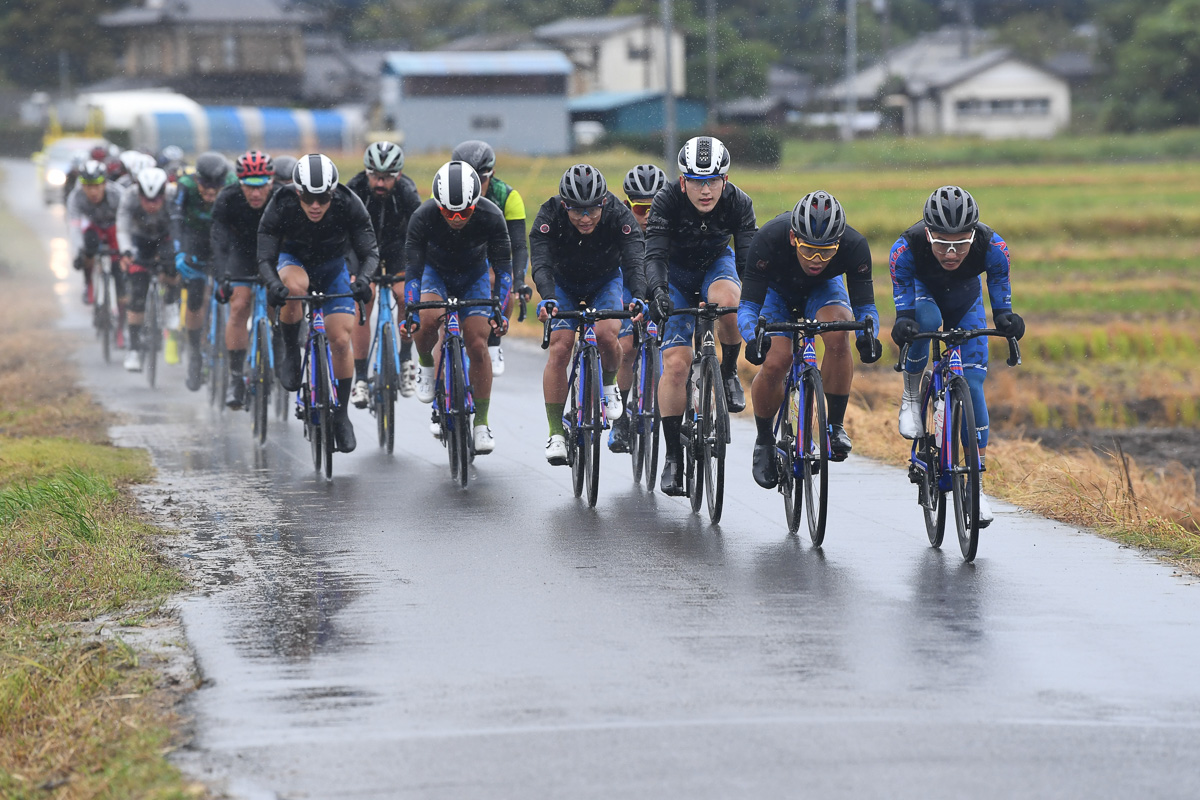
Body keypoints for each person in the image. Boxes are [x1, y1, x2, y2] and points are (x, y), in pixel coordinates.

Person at [889, 185, 1025, 528]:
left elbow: (999, 288)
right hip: (925, 296)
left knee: (974, 384)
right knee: (927, 322)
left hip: (966, 302)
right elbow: (903, 297)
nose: (952, 253)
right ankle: (911, 395)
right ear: (928, 234)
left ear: (974, 235)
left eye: (961, 244)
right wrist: (904, 321)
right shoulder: (906, 247)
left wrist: (1005, 316)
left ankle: (976, 487)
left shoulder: (993, 246)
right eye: (943, 244)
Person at [738, 191, 882, 488]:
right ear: (793, 238)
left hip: (823, 290)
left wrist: (869, 336)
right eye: (809, 250)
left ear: (839, 244)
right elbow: (749, 307)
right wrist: (752, 337)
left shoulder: (855, 246)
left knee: (840, 332)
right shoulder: (767, 240)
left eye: (827, 252)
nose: (817, 259)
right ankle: (764, 439)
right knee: (777, 360)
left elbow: (865, 309)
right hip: (775, 292)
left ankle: (835, 426)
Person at [643, 136, 758, 496]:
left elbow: (747, 264)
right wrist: (658, 292)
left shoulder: (739, 203)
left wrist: (754, 305)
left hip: (715, 266)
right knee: (676, 365)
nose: (705, 190)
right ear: (683, 181)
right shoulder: (665, 201)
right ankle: (673, 458)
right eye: (696, 181)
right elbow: (655, 256)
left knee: (729, 300)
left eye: (712, 181)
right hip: (675, 276)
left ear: (724, 180)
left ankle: (726, 373)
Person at [257, 154, 379, 454]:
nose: (315, 205)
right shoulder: (282, 201)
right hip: (294, 262)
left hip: (333, 266)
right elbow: (265, 254)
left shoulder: (349, 203)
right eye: (309, 198)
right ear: (298, 192)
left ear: (333, 193)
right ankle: (289, 350)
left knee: (340, 339)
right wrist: (273, 284)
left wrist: (363, 279)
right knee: (292, 288)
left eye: (322, 198)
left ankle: (341, 415)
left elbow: (370, 252)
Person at [530, 164, 647, 465]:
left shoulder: (619, 215)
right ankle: (556, 432)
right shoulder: (549, 215)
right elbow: (541, 262)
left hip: (605, 280)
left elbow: (634, 260)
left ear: (603, 203)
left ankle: (609, 384)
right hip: (563, 284)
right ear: (565, 205)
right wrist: (548, 298)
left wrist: (638, 296)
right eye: (577, 211)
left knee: (609, 334)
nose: (585, 218)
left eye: (592, 210)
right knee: (560, 347)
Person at [404, 160, 512, 455]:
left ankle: (482, 423)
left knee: (477, 342)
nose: (456, 218)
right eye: (448, 212)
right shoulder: (422, 216)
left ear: (475, 204)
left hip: (473, 274)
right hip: (434, 273)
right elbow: (413, 271)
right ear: (437, 205)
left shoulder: (492, 215)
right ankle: (426, 363)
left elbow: (504, 271)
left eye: (464, 212)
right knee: (426, 320)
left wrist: (499, 309)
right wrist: (411, 310)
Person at [345, 141, 423, 406]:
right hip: (362, 249)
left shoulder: (408, 192)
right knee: (363, 300)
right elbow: (342, 234)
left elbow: (419, 232)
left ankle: (404, 360)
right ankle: (360, 379)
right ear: (366, 172)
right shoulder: (353, 189)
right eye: (375, 176)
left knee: (405, 295)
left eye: (387, 177)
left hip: (396, 248)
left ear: (398, 175)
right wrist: (355, 274)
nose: (380, 182)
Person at [451, 140, 528, 376]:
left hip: (493, 254)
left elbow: (518, 247)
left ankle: (495, 340)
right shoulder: (445, 190)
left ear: (491, 174)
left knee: (501, 279)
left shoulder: (507, 196)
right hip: (455, 252)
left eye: (481, 179)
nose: (475, 185)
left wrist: (520, 281)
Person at [607, 162, 668, 454]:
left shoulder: (671, 222)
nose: (647, 217)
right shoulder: (618, 223)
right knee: (627, 346)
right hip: (626, 286)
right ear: (626, 204)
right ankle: (620, 417)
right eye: (641, 209)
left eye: (654, 210)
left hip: (660, 286)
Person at [211, 150, 276, 409]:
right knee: (238, 306)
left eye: (261, 186)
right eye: (249, 187)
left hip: (273, 253)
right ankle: (236, 377)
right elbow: (218, 241)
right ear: (240, 183)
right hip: (241, 252)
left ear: (271, 182)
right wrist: (222, 277)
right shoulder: (227, 198)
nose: (256, 194)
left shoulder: (282, 198)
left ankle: (281, 345)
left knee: (279, 304)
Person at [171, 151, 235, 390]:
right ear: (197, 180)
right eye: (205, 187)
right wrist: (178, 252)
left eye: (214, 188)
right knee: (196, 296)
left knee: (233, 292)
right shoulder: (185, 186)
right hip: (194, 239)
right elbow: (176, 221)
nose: (210, 193)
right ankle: (195, 354)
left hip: (222, 238)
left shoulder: (231, 185)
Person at [116, 167, 175, 372]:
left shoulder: (173, 195)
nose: (151, 205)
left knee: (174, 267)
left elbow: (180, 226)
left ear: (163, 194)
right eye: (146, 200)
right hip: (139, 240)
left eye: (156, 200)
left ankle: (170, 304)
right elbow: (122, 227)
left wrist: (174, 254)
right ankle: (133, 348)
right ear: (139, 194)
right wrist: (125, 251)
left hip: (165, 238)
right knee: (137, 293)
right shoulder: (129, 197)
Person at [65, 159, 122, 307]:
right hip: (93, 226)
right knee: (88, 244)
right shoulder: (75, 197)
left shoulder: (117, 193)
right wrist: (78, 253)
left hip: (114, 226)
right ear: (82, 185)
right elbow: (74, 227)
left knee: (118, 260)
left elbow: (127, 224)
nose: (93, 191)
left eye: (97, 185)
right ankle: (88, 283)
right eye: (88, 186)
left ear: (104, 183)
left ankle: (120, 289)